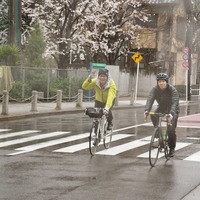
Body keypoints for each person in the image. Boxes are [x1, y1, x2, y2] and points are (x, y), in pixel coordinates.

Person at [144, 73, 179, 157]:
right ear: (157, 82)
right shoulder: (154, 89)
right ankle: (158, 131)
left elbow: (175, 102)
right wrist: (146, 111)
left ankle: (172, 149)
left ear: (166, 82)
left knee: (171, 130)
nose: (161, 83)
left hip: (173, 109)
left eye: (163, 81)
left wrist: (171, 113)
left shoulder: (172, 90)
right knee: (153, 114)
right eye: (159, 81)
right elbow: (150, 99)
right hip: (162, 107)